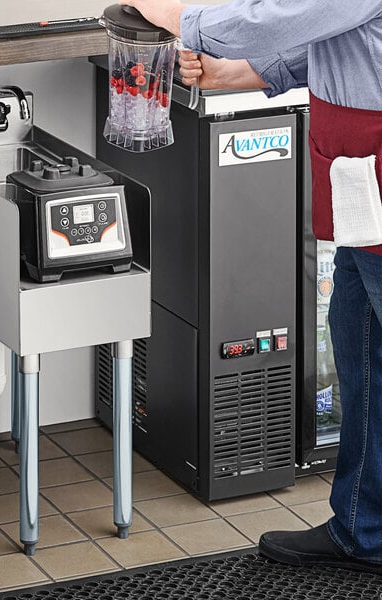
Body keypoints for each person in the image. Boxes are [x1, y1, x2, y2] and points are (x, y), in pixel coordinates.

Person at [119, 0, 382, 575]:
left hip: (373, 172)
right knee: (363, 356)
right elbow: (340, 40)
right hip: (363, 189)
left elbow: (288, 17)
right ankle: (366, 533)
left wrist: (177, 16)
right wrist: (239, 73)